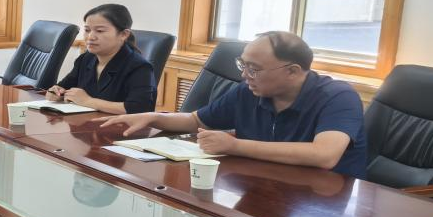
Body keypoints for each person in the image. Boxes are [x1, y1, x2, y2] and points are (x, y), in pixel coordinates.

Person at [100, 31, 367, 177]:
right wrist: (153, 117)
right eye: (243, 65)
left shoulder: (337, 96)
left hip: (323, 203)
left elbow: (324, 155)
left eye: (254, 69)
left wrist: (235, 146)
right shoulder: (248, 91)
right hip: (266, 183)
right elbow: (196, 120)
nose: (244, 75)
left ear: (293, 71)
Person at [46, 4, 155, 114]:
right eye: (87, 30)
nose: (90, 37)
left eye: (100, 31)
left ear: (123, 34)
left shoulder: (139, 67)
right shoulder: (86, 59)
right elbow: (63, 87)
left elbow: (139, 108)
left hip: (118, 124)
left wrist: (88, 101)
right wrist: (56, 92)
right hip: (85, 121)